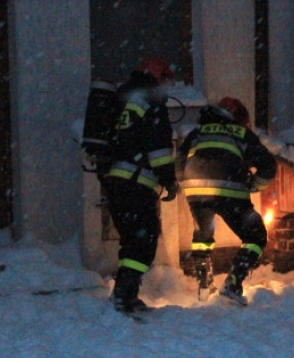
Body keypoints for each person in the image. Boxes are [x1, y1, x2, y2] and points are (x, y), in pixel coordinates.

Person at [97, 56, 178, 315]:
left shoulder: (121, 97)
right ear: (159, 77)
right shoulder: (152, 100)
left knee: (132, 239)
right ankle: (123, 297)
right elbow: (159, 148)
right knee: (144, 239)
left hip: (114, 181)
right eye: (166, 79)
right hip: (136, 182)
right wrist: (168, 179)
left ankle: (126, 295)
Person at [176, 97, 276, 305]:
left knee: (203, 234)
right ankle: (232, 284)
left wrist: (187, 184)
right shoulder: (240, 133)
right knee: (255, 236)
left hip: (195, 189)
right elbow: (268, 166)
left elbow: (179, 163)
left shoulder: (196, 133)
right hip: (229, 189)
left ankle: (204, 285)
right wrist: (254, 185)